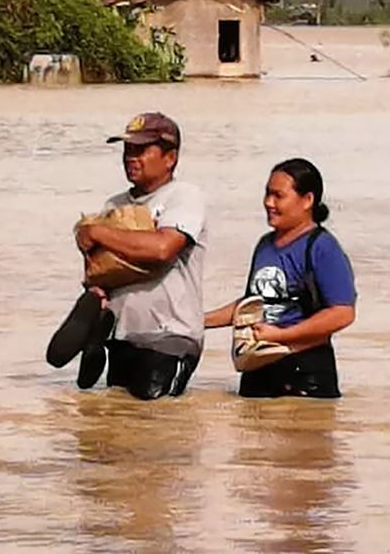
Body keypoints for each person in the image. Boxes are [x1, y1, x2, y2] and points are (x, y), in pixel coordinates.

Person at [47, 112, 209, 400]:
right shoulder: (115, 205)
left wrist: (97, 233)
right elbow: (102, 269)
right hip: (122, 338)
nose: (130, 158)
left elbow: (162, 248)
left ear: (170, 158)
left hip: (169, 339)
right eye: (127, 150)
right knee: (120, 427)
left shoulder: (184, 197)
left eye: (141, 150)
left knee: (157, 422)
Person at [205, 158, 357, 399]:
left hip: (305, 371)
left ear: (307, 200)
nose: (268, 203)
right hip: (257, 366)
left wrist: (281, 336)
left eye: (278, 196)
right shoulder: (264, 245)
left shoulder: (322, 247)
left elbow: (342, 313)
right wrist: (199, 321)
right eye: (267, 194)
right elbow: (252, 304)